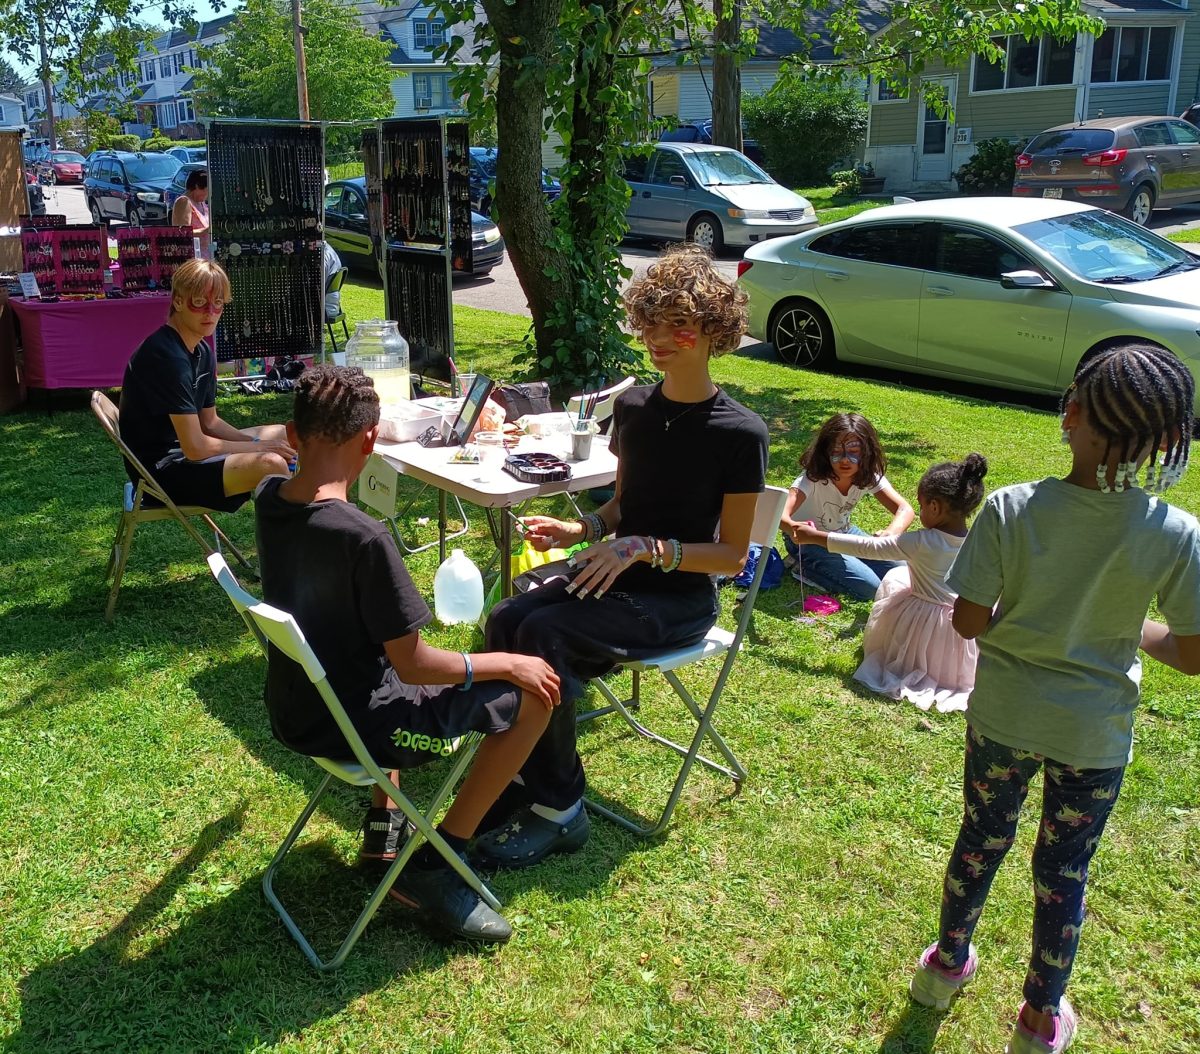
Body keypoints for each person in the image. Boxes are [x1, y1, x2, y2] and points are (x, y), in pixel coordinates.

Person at [907, 343, 1200, 1054]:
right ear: (1165, 443)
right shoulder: (1175, 534)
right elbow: (1191, 655)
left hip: (1004, 717)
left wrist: (1030, 614)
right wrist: (1126, 623)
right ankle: (1039, 1021)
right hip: (1092, 737)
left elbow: (970, 622)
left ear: (1069, 413)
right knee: (1063, 869)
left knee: (981, 840)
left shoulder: (1010, 509)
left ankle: (945, 969)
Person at [477, 243, 769, 869]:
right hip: (616, 573)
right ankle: (524, 771)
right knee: (506, 619)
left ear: (711, 332)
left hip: (679, 597)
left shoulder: (740, 434)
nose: (659, 340)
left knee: (543, 632)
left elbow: (730, 555)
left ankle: (561, 809)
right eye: (650, 325)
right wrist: (576, 526)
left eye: (678, 328)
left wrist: (647, 549)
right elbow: (622, 507)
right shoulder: (634, 409)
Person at [255, 364, 562, 943]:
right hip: (359, 728)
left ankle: (382, 830)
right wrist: (506, 662)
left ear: (292, 436)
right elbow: (415, 664)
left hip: (298, 712)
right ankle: (438, 865)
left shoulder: (270, 498)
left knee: (372, 668)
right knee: (532, 698)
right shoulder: (362, 537)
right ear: (370, 441)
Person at [793, 453, 987, 712]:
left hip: (924, 624)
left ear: (935, 507)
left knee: (895, 579)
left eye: (920, 505)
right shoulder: (979, 540)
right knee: (900, 575)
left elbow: (871, 547)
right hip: (960, 629)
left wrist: (817, 537)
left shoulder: (921, 542)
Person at [118, 258, 294, 512]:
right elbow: (195, 447)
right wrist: (257, 447)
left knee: (284, 434)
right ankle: (294, 542)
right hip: (160, 476)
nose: (210, 312)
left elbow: (209, 422)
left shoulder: (200, 348)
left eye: (218, 303)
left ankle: (308, 511)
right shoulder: (167, 357)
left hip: (185, 455)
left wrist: (254, 442)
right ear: (178, 301)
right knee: (271, 463)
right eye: (199, 302)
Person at [779, 413, 914, 600]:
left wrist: (891, 533)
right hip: (810, 542)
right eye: (836, 451)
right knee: (871, 588)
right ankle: (802, 566)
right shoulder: (812, 479)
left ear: (866, 452)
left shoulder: (868, 475)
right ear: (825, 451)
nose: (845, 460)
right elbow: (780, 514)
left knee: (903, 571)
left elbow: (905, 509)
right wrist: (794, 528)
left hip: (845, 533)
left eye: (854, 451)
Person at [170, 169, 210, 258]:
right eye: (206, 190)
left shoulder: (202, 203)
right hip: (191, 256)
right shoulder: (184, 201)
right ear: (197, 186)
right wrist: (206, 230)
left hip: (205, 256)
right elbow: (182, 232)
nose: (207, 194)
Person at [322, 240, 343, 322]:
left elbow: (318, 287)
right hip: (332, 305)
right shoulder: (328, 250)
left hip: (326, 309)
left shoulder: (325, 255)